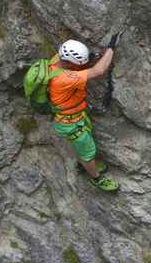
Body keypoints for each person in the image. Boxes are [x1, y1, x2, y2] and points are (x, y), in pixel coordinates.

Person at [49, 39, 119, 192]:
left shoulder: (56, 60)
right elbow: (98, 71)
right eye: (78, 65)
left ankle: (85, 164)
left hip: (72, 118)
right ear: (69, 63)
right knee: (88, 152)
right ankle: (96, 178)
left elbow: (77, 61)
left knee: (83, 148)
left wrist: (91, 56)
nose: (81, 67)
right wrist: (111, 48)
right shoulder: (64, 79)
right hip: (71, 124)